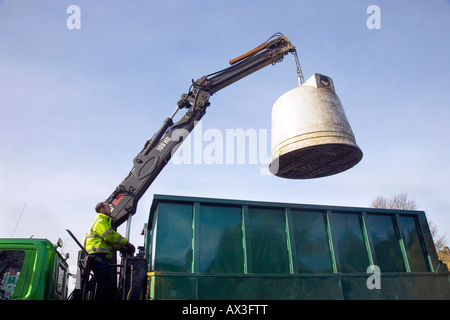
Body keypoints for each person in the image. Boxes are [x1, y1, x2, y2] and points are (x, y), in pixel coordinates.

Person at [84, 201, 135, 300]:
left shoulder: (103, 222)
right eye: (108, 206)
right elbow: (110, 236)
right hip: (98, 257)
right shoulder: (100, 222)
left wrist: (120, 247)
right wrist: (126, 243)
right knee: (105, 286)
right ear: (102, 209)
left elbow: (108, 242)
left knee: (107, 286)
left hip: (100, 258)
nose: (110, 208)